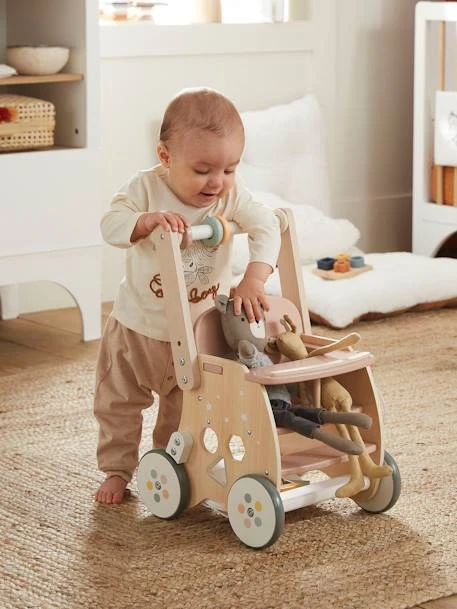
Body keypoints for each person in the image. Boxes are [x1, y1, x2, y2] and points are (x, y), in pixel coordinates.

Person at [94, 87, 281, 504]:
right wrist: (143, 222)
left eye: (230, 168)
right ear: (165, 157)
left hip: (195, 334)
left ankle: (169, 467)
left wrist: (254, 277)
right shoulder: (144, 188)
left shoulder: (231, 196)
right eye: (202, 170)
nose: (217, 181)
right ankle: (117, 469)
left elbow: (268, 225)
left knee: (187, 411)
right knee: (117, 403)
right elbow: (110, 224)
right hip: (137, 328)